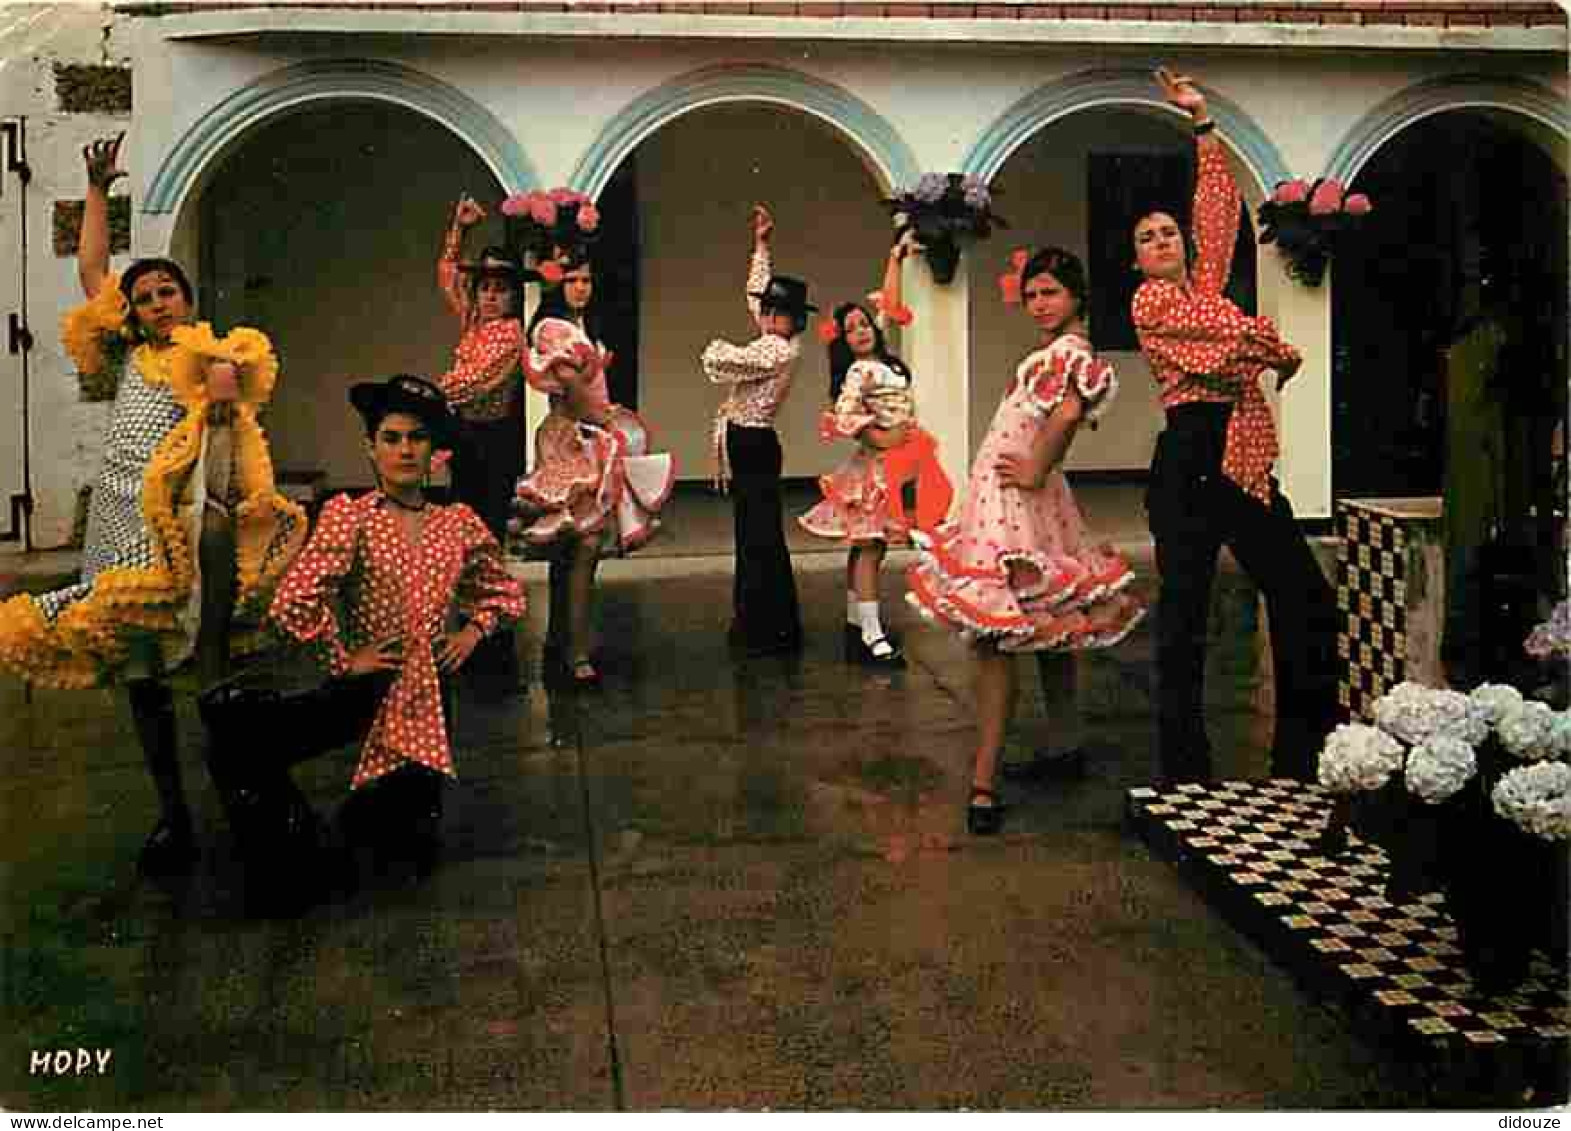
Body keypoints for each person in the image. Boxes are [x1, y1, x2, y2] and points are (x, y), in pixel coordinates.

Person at [0, 132, 305, 876]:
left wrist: (228, 461)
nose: (156, 301)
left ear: (188, 301)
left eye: (167, 290)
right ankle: (172, 814)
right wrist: (98, 189)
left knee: (201, 667)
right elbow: (92, 268)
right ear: (132, 314)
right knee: (138, 673)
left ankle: (235, 796)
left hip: (179, 507)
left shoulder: (210, 355)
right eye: (145, 297)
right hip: (118, 510)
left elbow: (229, 445)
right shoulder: (133, 352)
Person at [216, 375, 525, 887]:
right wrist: (342, 659)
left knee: (408, 852)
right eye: (392, 438)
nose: (405, 450)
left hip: (430, 701)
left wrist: (473, 632)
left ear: (434, 452)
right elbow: (294, 602)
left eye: (417, 438)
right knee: (337, 852)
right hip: (370, 689)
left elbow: (505, 594)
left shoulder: (457, 523)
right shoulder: (350, 517)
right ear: (371, 449)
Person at [1132, 67, 1338, 784]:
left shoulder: (1205, 286)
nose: (1160, 241)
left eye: (1166, 233)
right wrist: (1275, 347)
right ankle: (1184, 773)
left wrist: (1202, 124)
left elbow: (1215, 212)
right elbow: (1226, 348)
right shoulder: (1151, 305)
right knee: (1186, 615)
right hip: (1190, 452)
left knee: (1305, 598)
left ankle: (1303, 756)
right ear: (1136, 258)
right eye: (1146, 237)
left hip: (1240, 452)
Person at [907, 247, 1144, 834]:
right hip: (1016, 499)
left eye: (1052, 293)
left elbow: (1065, 415)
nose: (1040, 304)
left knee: (996, 637)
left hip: (1017, 501)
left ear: (1077, 298)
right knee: (1046, 621)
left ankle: (983, 782)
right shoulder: (1060, 351)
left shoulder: (1069, 352)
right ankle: (1065, 745)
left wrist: (1035, 470)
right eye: (1033, 294)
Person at [511, 244, 674, 688]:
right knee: (579, 543)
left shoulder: (582, 325)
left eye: (586, 280)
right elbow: (566, 380)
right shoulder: (551, 328)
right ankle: (575, 651)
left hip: (590, 440)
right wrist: (602, 418)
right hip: (569, 438)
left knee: (580, 545)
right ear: (556, 284)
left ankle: (565, 640)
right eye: (572, 280)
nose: (581, 288)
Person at [800, 232, 954, 667]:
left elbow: (888, 304)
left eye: (863, 324)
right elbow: (845, 417)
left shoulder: (885, 362)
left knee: (870, 546)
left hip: (903, 461)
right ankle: (871, 633)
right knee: (870, 546)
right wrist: (880, 438)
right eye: (850, 330)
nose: (861, 331)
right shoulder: (858, 374)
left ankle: (856, 620)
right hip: (877, 468)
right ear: (843, 341)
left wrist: (894, 257)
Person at [433, 195, 535, 695]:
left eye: (500, 290)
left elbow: (469, 384)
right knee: (463, 532)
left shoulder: (508, 335)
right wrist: (460, 227)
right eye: (486, 289)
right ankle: (473, 627)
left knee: (485, 535)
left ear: (514, 297)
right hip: (468, 439)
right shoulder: (474, 322)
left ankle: (489, 634)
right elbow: (449, 275)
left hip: (491, 442)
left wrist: (431, 398)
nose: (491, 297)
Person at [701, 204, 812, 658]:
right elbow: (754, 295)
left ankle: (766, 627)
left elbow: (724, 358)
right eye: (769, 311)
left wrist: (712, 348)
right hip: (748, 442)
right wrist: (761, 244)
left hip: (754, 444)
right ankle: (761, 622)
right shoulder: (775, 336)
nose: (768, 317)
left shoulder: (778, 350)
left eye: (778, 312)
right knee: (755, 534)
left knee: (758, 536)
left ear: (793, 319)